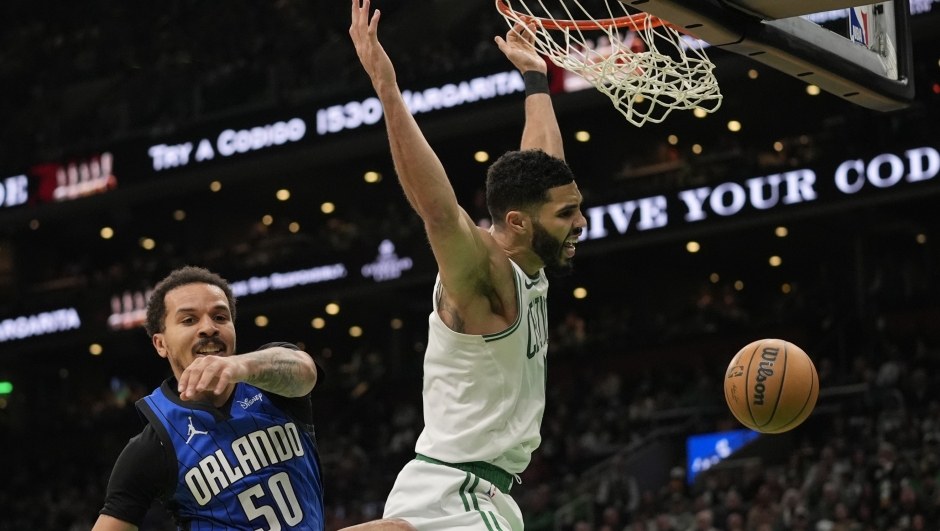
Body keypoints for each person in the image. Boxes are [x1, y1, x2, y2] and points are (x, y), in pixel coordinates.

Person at [350, 0, 587, 530]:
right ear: (519, 222)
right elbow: (438, 212)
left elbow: (546, 162)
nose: (581, 223)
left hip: (461, 486)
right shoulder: (487, 273)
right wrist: (388, 91)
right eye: (568, 214)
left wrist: (535, 80)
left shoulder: (531, 255)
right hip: (461, 493)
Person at [92, 266, 413, 531]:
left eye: (220, 317)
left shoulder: (270, 378)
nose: (208, 328)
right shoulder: (155, 442)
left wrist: (238, 366)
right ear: (160, 344)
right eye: (189, 320)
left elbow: (305, 371)